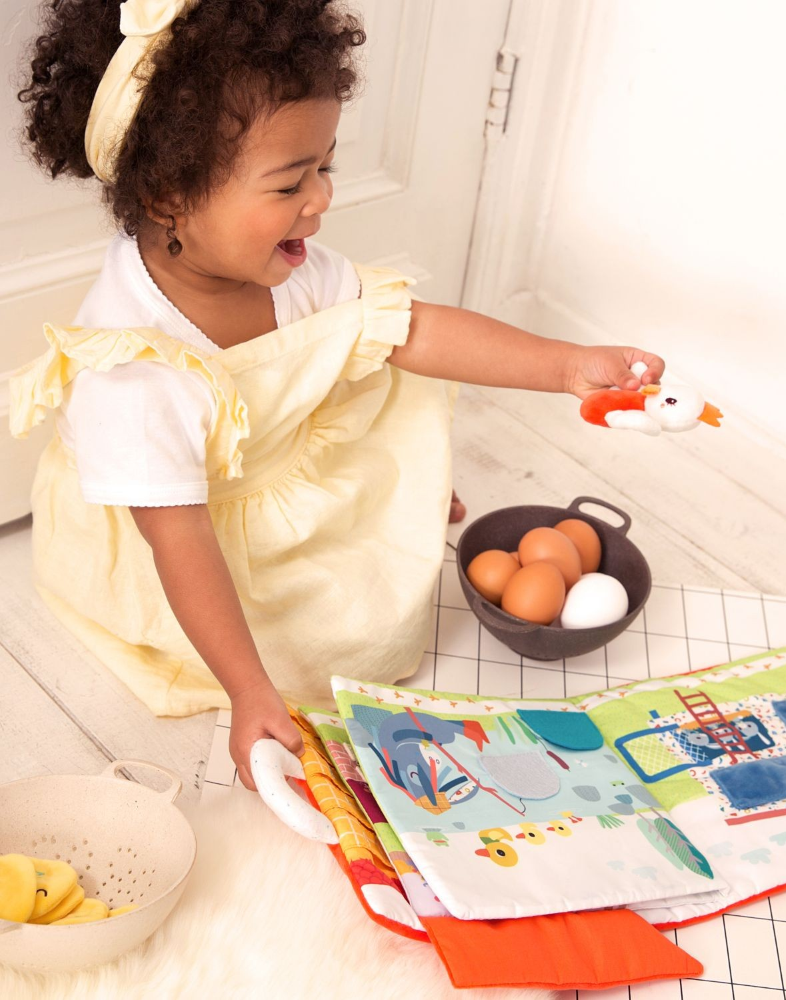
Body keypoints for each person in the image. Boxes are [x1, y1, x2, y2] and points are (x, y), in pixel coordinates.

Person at [9, 0, 664, 790]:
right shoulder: (136, 374)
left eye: (325, 167)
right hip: (187, 542)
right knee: (303, 656)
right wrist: (250, 691)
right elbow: (179, 542)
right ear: (167, 197)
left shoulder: (285, 265)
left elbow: (413, 330)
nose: (320, 199)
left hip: (277, 471)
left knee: (374, 443)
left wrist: (564, 367)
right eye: (291, 182)